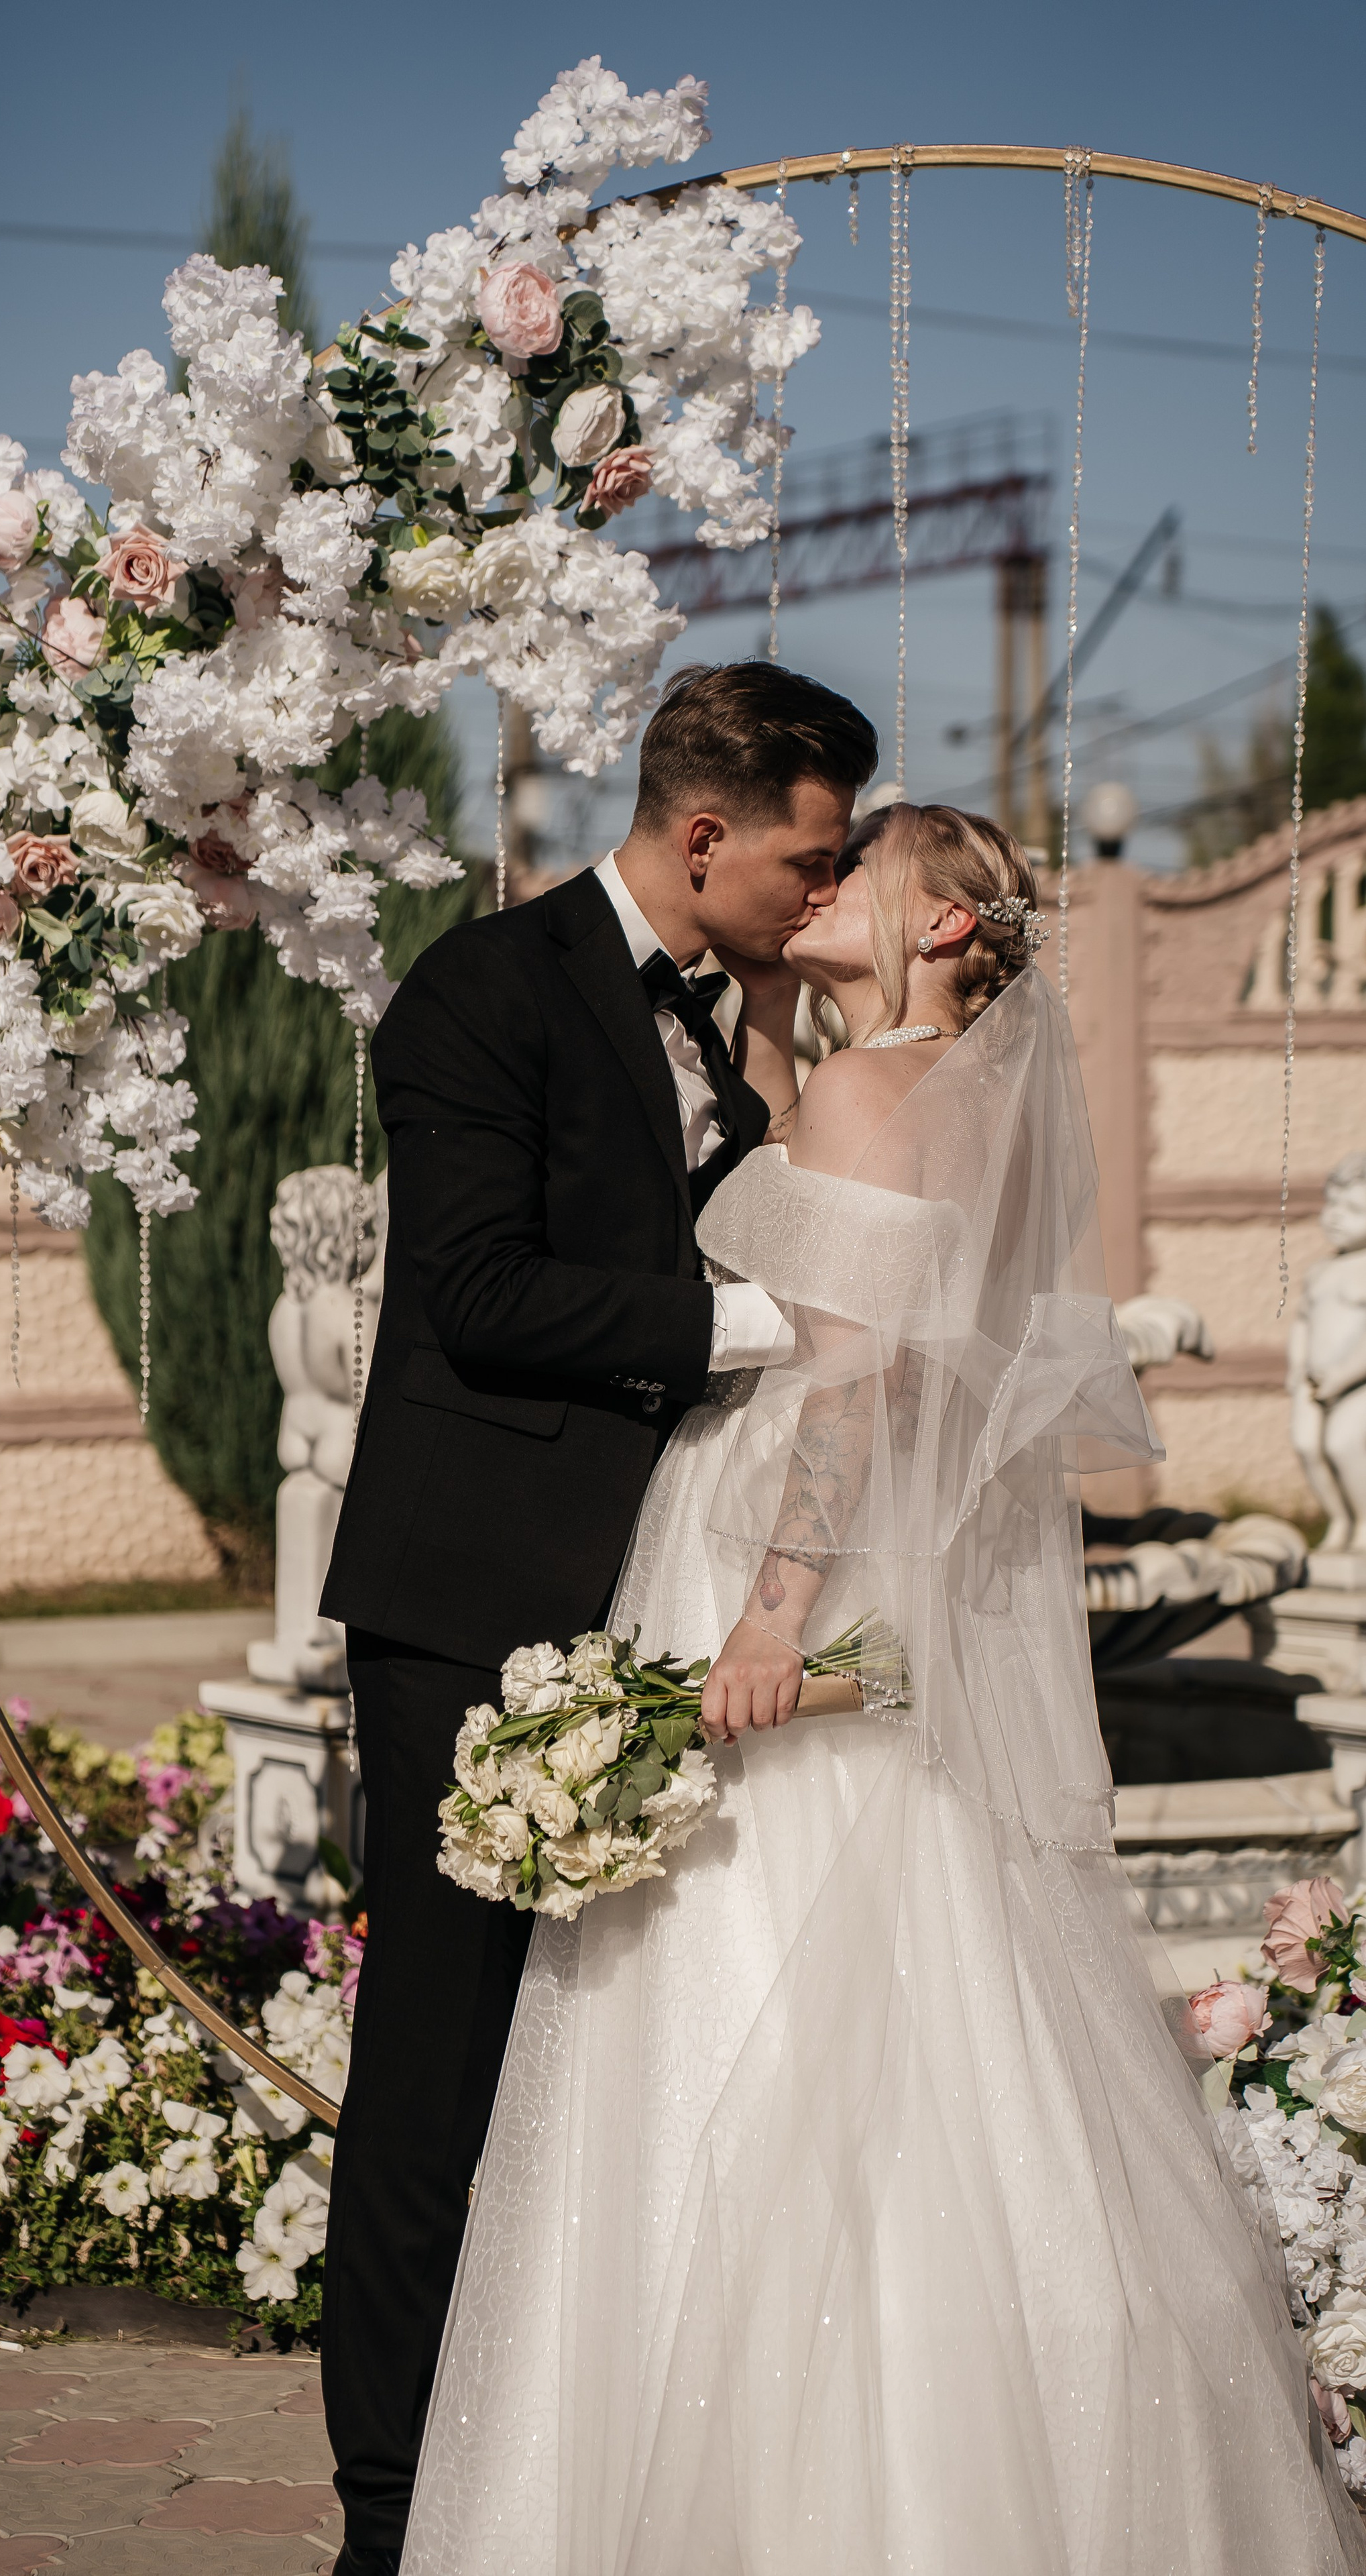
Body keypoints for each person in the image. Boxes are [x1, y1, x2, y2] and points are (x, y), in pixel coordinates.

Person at [400, 802, 1366, 2575]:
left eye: (865, 867)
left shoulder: (867, 1094)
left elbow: (853, 1388)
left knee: (745, 1970)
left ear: (940, 925)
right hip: (876, 1578)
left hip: (786, 1555)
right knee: (939, 1971)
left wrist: (775, 1617)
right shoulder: (942, 1095)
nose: (824, 882)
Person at [318, 662, 879, 2575]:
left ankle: (555, 2480)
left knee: (599, 2070)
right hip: (473, 1606)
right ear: (703, 835)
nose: (828, 890)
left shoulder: (744, 1017)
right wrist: (773, 1323)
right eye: (811, 859)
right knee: (440, 2065)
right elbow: (478, 1292)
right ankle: (388, 2517)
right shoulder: (482, 991)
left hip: (658, 1612)